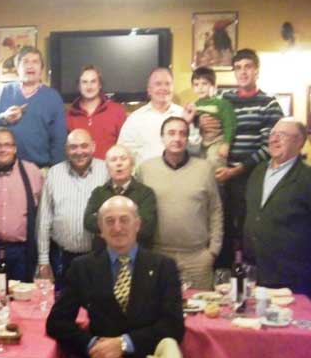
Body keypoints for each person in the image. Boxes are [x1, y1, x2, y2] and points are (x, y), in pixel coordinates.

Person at [46, 196, 184, 358]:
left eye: (124, 220)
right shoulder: (82, 267)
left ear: (137, 224)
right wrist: (95, 348)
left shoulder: (163, 267)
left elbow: (174, 326)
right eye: (109, 221)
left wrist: (123, 344)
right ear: (100, 230)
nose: (117, 227)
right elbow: (57, 323)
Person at [211, 49, 283, 267]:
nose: (243, 72)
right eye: (238, 67)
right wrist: (202, 121)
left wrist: (238, 169)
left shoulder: (269, 104)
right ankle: (222, 275)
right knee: (220, 225)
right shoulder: (224, 99)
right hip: (221, 173)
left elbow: (269, 147)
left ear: (256, 71)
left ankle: (247, 274)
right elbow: (211, 126)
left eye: (248, 66)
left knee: (246, 228)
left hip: (252, 176)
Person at [138, 117, 223, 290]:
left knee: (201, 313)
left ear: (188, 138)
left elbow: (215, 210)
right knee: (158, 311)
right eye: (171, 133)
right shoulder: (145, 169)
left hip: (197, 258)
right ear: (162, 138)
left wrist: (213, 250)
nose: (177, 138)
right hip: (158, 255)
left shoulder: (205, 169)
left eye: (182, 134)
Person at [244, 118, 311, 295]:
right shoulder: (258, 171)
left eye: (281, 135)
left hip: (291, 277)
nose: (273, 139)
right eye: (272, 134)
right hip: (254, 271)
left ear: (299, 142)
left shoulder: (307, 178)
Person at [36, 129, 108, 284]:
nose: (79, 151)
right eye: (73, 147)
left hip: (99, 258)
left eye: (84, 146)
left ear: (93, 147)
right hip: (63, 259)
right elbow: (44, 219)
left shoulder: (107, 171)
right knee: (63, 304)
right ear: (66, 149)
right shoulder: (54, 173)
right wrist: (43, 260)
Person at [0, 46, 67, 168]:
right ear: (17, 68)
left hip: (40, 170)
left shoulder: (53, 97)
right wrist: (4, 118)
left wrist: (56, 172)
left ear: (41, 68)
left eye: (35, 62)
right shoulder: (3, 92)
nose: (30, 66)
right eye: (25, 61)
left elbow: (59, 141)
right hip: (4, 169)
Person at [0, 127, 42, 281]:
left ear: (14, 148)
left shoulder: (33, 173)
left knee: (22, 300)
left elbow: (43, 212)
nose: (2, 149)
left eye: (7, 145)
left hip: (22, 251)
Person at [83, 144, 157, 251]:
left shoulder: (145, 193)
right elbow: (89, 222)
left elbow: (146, 227)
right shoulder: (98, 193)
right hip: (103, 257)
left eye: (123, 159)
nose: (119, 163)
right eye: (113, 160)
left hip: (137, 257)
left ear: (132, 165)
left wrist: (106, 223)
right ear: (107, 167)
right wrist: (129, 223)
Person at [117, 68, 186, 166]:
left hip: (178, 176)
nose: (163, 88)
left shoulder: (184, 114)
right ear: (149, 90)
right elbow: (123, 153)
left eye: (167, 84)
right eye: (158, 84)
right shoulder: (135, 119)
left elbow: (195, 149)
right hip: (145, 179)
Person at [66, 65, 127, 160]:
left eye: (93, 81)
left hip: (109, 171)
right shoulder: (69, 115)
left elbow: (125, 147)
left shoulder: (117, 111)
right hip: (79, 173)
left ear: (100, 85)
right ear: (79, 86)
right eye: (84, 82)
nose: (89, 87)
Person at [184, 67, 237, 169]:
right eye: (196, 84)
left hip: (217, 142)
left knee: (214, 163)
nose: (200, 88)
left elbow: (230, 124)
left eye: (205, 84)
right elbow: (194, 127)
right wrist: (192, 119)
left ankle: (218, 184)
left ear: (214, 85)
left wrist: (226, 144)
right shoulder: (195, 105)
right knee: (201, 166)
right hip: (202, 143)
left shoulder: (221, 104)